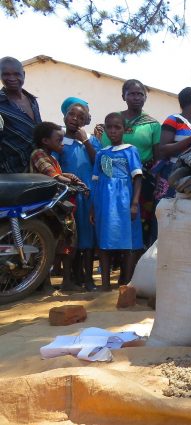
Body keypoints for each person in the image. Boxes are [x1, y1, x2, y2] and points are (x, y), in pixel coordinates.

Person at [102, 79, 161, 249]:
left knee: (141, 220)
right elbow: (106, 150)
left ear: (145, 98)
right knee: (115, 218)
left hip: (142, 180)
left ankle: (136, 261)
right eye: (132, 94)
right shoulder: (113, 122)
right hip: (114, 180)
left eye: (140, 94)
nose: (136, 97)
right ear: (123, 96)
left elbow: (158, 156)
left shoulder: (153, 124)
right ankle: (116, 260)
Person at [30, 122, 87, 291]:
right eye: (59, 139)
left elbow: (59, 174)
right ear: (46, 140)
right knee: (47, 244)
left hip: (56, 206)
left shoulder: (53, 157)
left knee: (67, 242)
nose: (62, 143)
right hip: (44, 208)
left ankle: (66, 282)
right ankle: (45, 283)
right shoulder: (38, 154)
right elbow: (52, 175)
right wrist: (70, 182)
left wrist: (71, 177)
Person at [91, 113, 143, 291]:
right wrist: (93, 207)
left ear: (124, 129)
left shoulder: (130, 150)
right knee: (104, 241)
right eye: (109, 127)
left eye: (117, 127)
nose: (113, 131)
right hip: (104, 203)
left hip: (125, 201)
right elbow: (96, 180)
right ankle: (105, 284)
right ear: (105, 129)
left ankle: (126, 283)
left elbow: (137, 178)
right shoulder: (101, 153)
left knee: (129, 241)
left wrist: (134, 203)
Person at [56, 101, 101, 291]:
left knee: (88, 240)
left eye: (81, 117)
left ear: (86, 121)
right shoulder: (58, 142)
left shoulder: (91, 140)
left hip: (89, 196)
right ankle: (71, 278)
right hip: (69, 197)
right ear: (64, 116)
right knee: (71, 238)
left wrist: (86, 141)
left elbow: (99, 162)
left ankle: (89, 279)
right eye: (71, 115)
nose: (75, 119)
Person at [0, 57, 42, 174]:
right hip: (9, 173)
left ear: (23, 74)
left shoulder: (32, 100)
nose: (12, 78)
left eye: (16, 74)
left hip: (37, 168)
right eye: (6, 74)